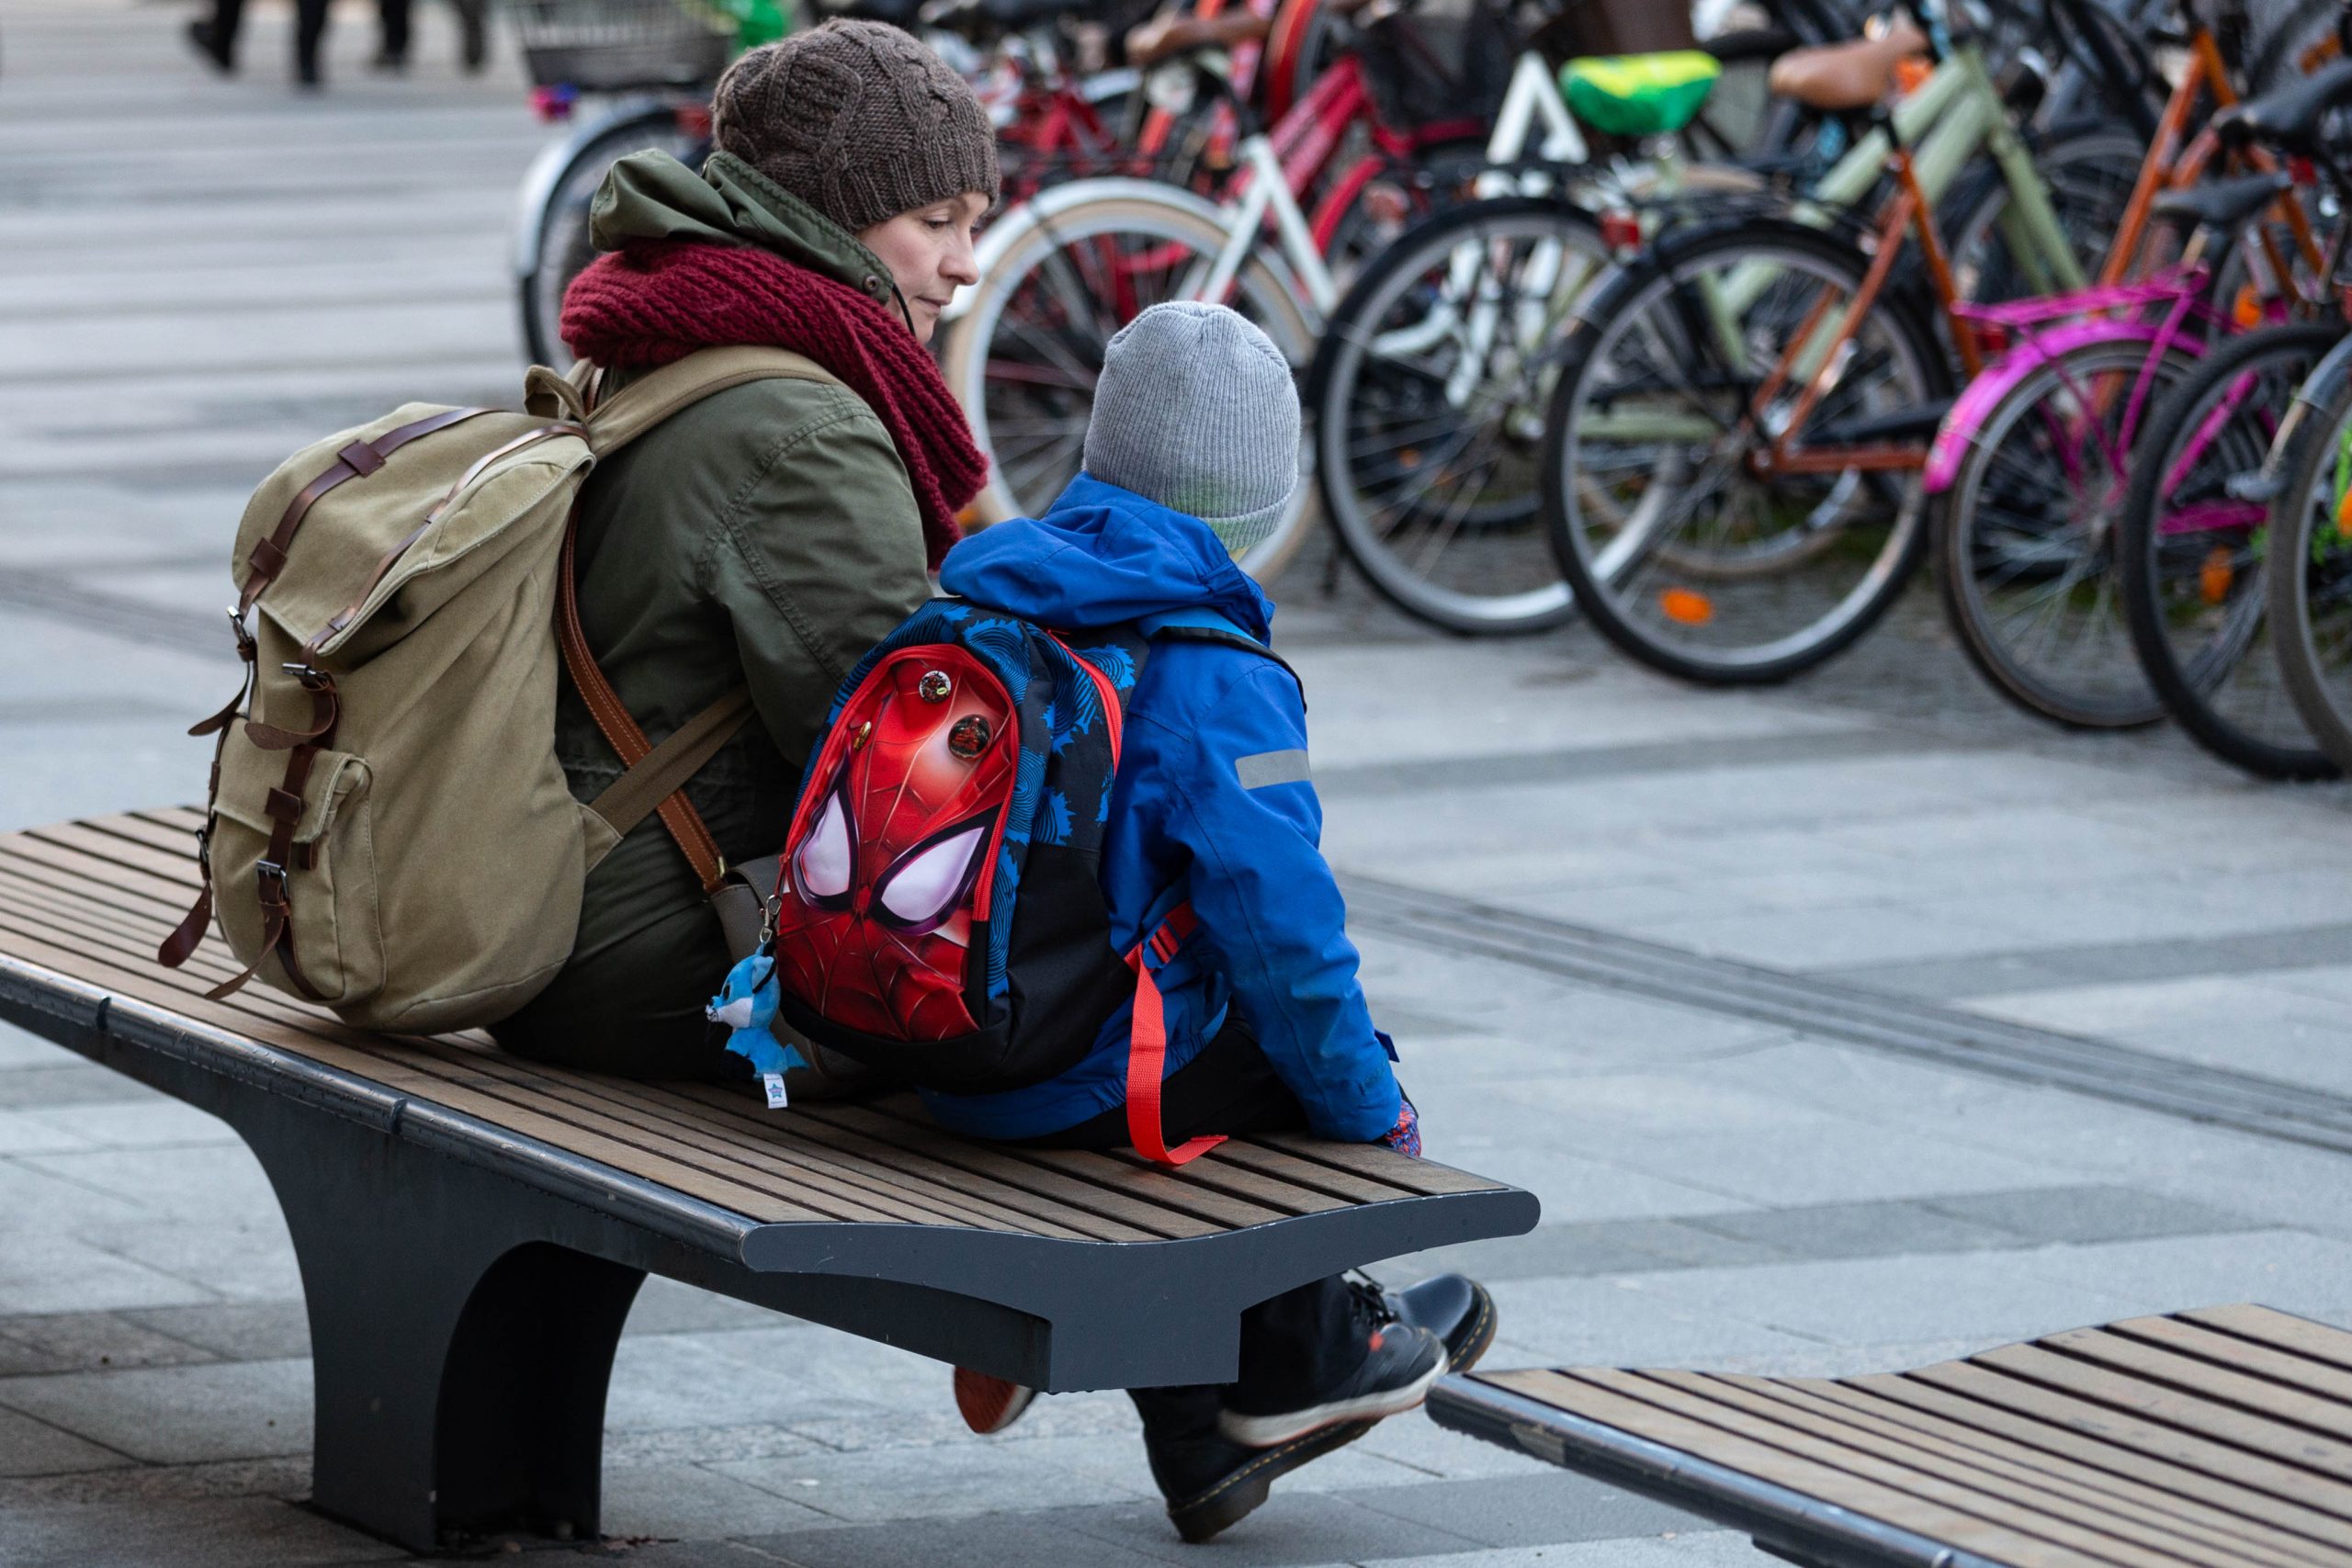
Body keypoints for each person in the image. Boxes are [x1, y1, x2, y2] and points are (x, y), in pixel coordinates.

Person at [923, 301, 1498, 1543]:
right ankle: (1312, 1345)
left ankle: (1199, 1435)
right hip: (1063, 1083)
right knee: (1276, 1038)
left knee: (1160, 984)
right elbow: (1287, 938)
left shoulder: (982, 595)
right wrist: (1373, 1118)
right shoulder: (1214, 669)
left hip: (932, 1045)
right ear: (1262, 503)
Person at [490, 19, 996, 1074]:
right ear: (833, 219)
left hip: (553, 893)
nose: (963, 267)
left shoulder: (671, 325)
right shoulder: (805, 426)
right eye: (935, 220)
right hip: (660, 952)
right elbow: (892, 760)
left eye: (975, 223)